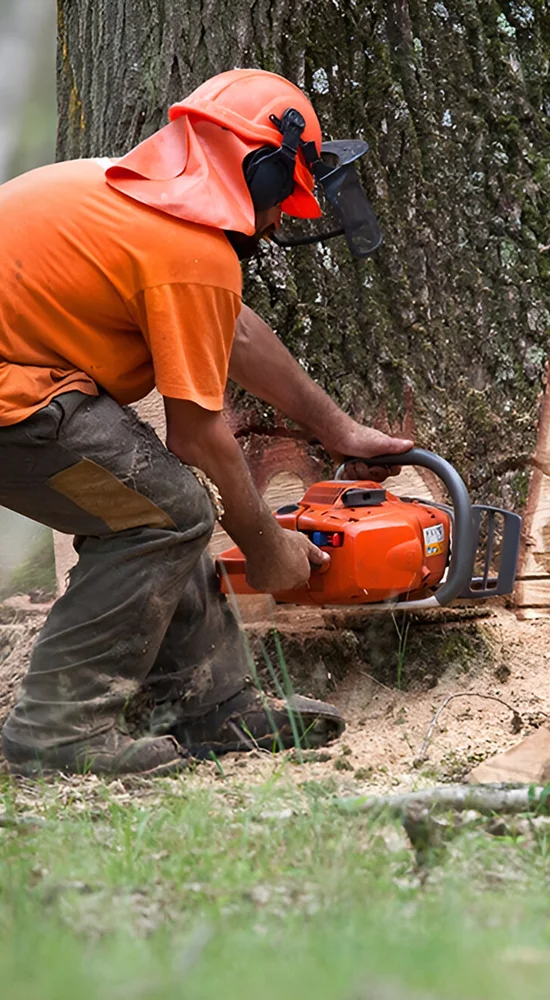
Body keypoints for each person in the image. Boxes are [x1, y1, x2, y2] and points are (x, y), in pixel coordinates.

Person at [0, 69, 412, 777]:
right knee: (164, 510)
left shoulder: (141, 202)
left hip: (28, 384)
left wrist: (336, 429)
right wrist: (267, 547)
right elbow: (199, 438)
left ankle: (209, 705)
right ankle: (56, 732)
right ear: (258, 170)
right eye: (285, 199)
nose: (284, 218)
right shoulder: (190, 251)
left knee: (157, 501)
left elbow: (235, 331)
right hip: (19, 401)